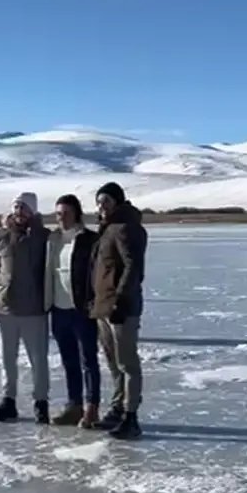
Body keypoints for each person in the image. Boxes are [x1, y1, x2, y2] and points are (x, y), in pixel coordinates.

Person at [0, 192, 51, 423]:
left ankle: (41, 401)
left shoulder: (43, 236)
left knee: (38, 358)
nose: (19, 212)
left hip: (34, 308)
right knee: (7, 357)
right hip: (5, 307)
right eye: (16, 207)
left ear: (33, 212)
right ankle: (8, 400)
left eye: (24, 208)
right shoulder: (0, 236)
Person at [89, 182, 147, 440]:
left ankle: (130, 416)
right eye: (99, 202)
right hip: (104, 306)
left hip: (121, 308)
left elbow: (132, 268)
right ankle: (117, 407)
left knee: (127, 363)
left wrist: (119, 303)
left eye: (107, 202)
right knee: (113, 363)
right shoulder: (107, 228)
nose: (101, 207)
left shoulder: (126, 228)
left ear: (119, 203)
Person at [46, 194, 102, 427]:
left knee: (88, 359)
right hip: (58, 309)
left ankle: (92, 408)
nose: (62, 218)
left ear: (77, 213)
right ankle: (74, 405)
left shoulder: (89, 239)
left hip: (81, 309)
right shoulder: (53, 239)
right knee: (68, 360)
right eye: (58, 214)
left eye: (66, 213)